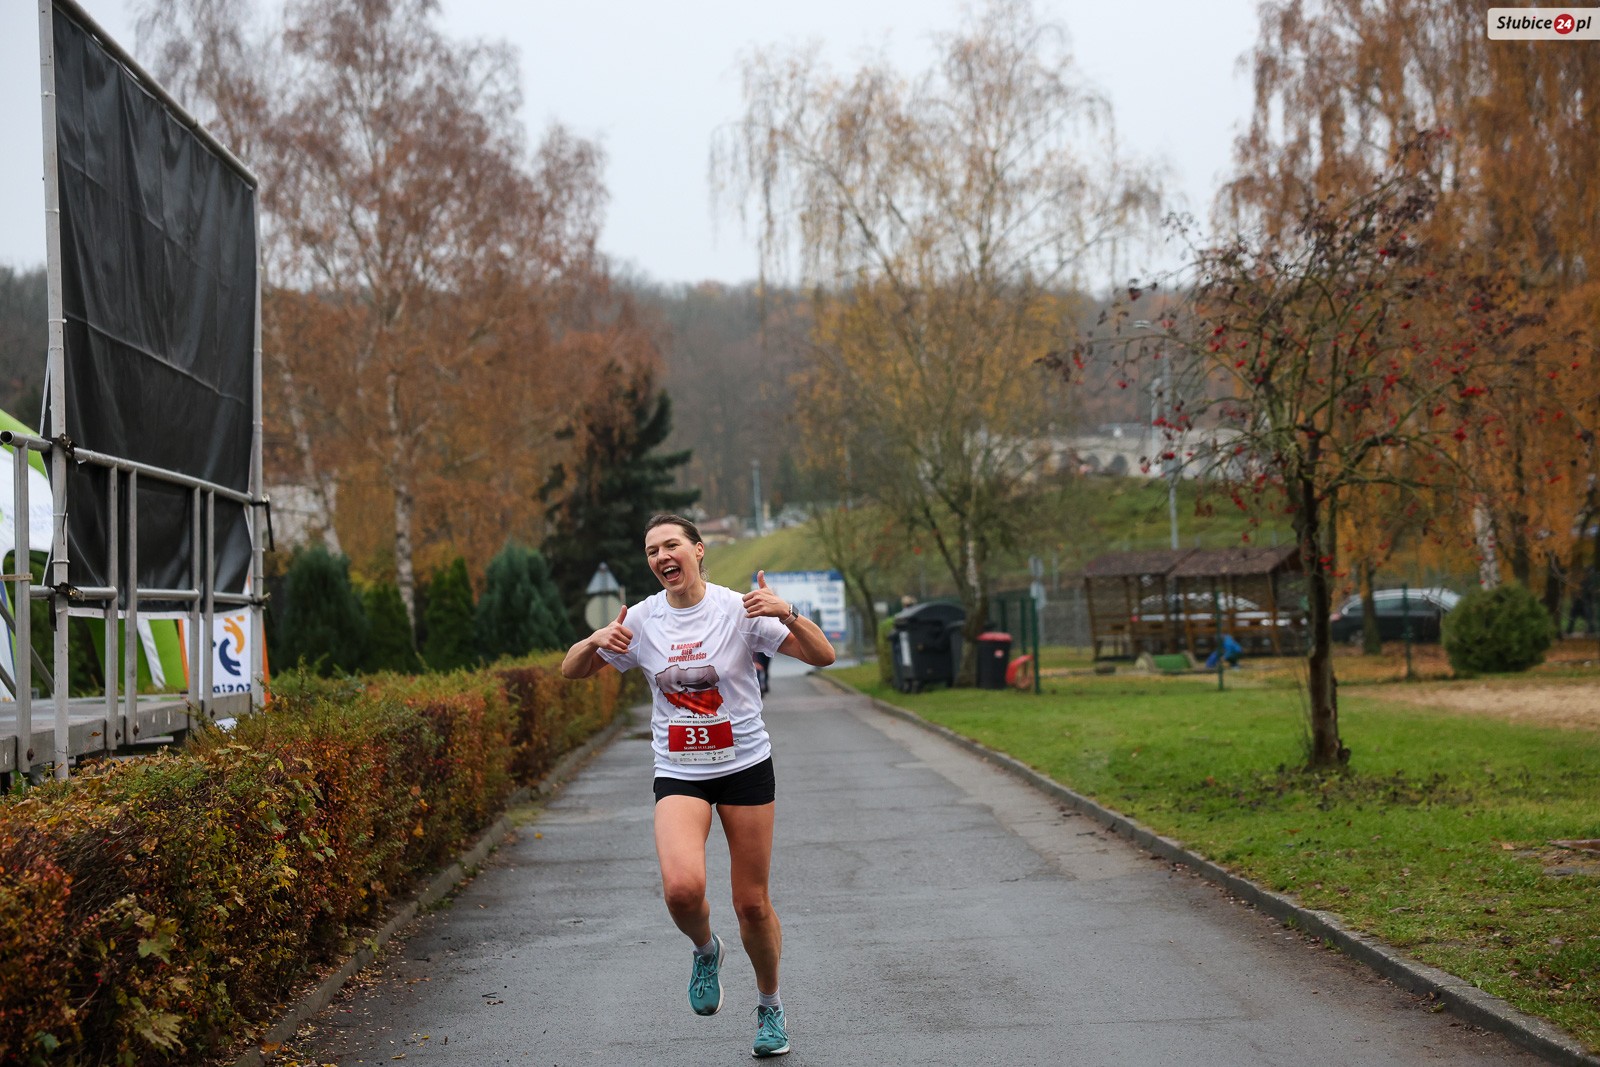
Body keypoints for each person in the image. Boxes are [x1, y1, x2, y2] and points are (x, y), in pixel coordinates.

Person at [561, 514, 835, 1059]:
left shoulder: (738, 609)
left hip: (744, 766)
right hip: (680, 771)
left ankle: (770, 1005)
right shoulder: (643, 619)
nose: (662, 556)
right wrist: (593, 640)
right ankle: (706, 950)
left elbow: (822, 656)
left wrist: (788, 612)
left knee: (752, 904)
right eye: (652, 551)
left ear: (698, 550)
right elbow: (572, 670)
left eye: (671, 545)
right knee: (682, 890)